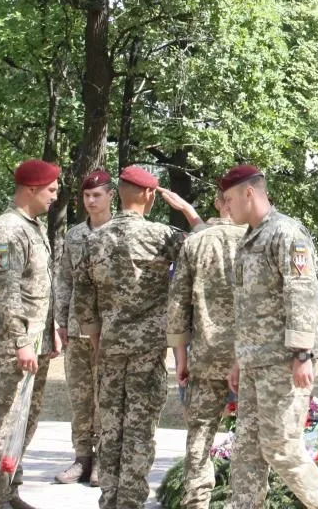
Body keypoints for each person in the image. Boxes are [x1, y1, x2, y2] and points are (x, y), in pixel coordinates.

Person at [74, 165, 203, 509]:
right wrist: (189, 212)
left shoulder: (93, 239)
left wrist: (95, 338)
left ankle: (110, 501)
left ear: (118, 192)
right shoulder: (163, 236)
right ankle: (129, 502)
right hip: (148, 351)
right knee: (139, 432)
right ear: (148, 195)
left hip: (111, 347)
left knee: (111, 430)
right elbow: (205, 247)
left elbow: (83, 298)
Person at [223, 165, 318, 509]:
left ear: (250, 192)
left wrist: (302, 354)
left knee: (282, 448)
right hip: (254, 362)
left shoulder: (286, 233)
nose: (225, 205)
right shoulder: (250, 239)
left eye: (229, 198)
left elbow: (301, 293)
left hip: (283, 363)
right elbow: (246, 307)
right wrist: (238, 359)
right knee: (247, 452)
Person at [0, 159, 63, 509]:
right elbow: (6, 290)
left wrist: (51, 329)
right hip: (11, 344)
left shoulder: (33, 226)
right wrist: (21, 341)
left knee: (25, 420)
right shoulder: (9, 230)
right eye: (52, 189)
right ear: (31, 189)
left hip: (34, 339)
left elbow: (39, 286)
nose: (55, 196)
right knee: (5, 421)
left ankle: (9, 488)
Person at [167, 190, 245, 509]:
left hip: (205, 356)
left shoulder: (196, 243)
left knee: (200, 436)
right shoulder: (260, 240)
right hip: (250, 359)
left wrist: (180, 357)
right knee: (250, 438)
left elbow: (177, 306)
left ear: (218, 202)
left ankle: (197, 501)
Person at [52, 169, 114, 486]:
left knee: (105, 396)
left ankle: (104, 459)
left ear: (110, 196)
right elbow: (63, 280)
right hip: (76, 330)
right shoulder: (74, 235)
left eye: (97, 195)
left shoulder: (120, 232)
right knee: (79, 397)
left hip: (109, 331)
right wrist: (60, 321)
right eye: (86, 196)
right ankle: (82, 458)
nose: (91, 201)